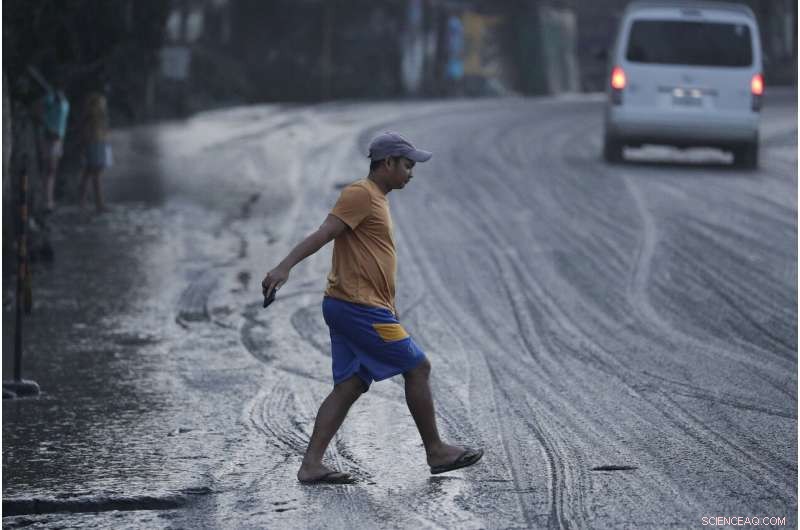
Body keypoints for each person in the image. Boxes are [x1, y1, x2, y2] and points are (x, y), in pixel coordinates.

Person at [262, 131, 483, 484]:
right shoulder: (360, 194)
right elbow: (324, 232)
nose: (411, 173)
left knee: (350, 385)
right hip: (357, 307)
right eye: (407, 165)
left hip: (355, 305)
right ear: (387, 163)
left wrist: (389, 307)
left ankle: (311, 465)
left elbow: (370, 258)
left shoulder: (376, 198)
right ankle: (436, 451)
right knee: (418, 366)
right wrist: (284, 266)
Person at [78, 91, 113, 213]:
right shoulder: (93, 116)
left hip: (99, 142)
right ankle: (98, 203)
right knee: (95, 173)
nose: (103, 107)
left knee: (90, 172)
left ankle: (83, 201)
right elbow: (86, 132)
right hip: (95, 143)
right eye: (100, 104)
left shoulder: (97, 117)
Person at [39, 77, 70, 212]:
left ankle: (49, 200)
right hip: (50, 137)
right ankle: (46, 201)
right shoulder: (50, 98)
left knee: (52, 170)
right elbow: (40, 111)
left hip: (59, 138)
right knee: (49, 170)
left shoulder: (63, 100)